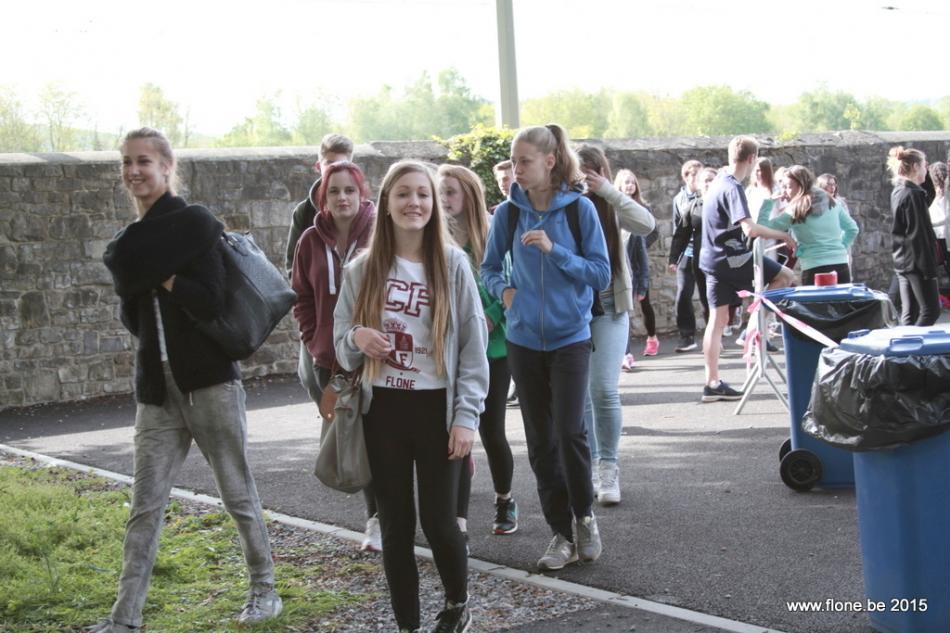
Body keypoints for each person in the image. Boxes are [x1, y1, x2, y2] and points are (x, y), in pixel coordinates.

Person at [96, 128, 280, 632]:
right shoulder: (126, 246)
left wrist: (162, 275)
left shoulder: (196, 225)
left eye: (144, 161)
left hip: (210, 383)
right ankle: (124, 618)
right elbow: (133, 319)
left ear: (166, 166)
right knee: (144, 506)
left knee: (237, 493)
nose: (134, 170)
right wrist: (157, 276)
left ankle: (265, 592)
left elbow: (210, 299)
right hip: (156, 392)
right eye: (127, 162)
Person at [333, 160, 489, 633]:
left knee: (440, 522)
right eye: (403, 194)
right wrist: (358, 337)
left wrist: (466, 417)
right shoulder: (362, 269)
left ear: (434, 204)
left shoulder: (453, 264)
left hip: (436, 408)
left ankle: (457, 604)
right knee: (395, 526)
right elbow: (339, 341)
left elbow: (473, 347)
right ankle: (408, 625)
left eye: (422, 194)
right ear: (385, 204)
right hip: (382, 409)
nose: (414, 203)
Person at [482, 124, 610, 571]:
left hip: (570, 336)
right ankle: (560, 533)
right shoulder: (507, 214)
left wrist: (555, 250)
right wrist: (504, 293)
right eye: (514, 161)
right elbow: (488, 268)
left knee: (569, 432)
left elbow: (601, 274)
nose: (516, 170)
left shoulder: (579, 210)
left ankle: (584, 517)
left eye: (525, 161)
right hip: (522, 341)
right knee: (539, 441)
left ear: (550, 161)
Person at [290, 160, 382, 552]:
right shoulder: (310, 240)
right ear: (322, 198)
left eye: (349, 190)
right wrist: (314, 341)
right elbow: (301, 296)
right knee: (353, 439)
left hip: (375, 358)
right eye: (334, 191)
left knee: (379, 439)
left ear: (362, 193)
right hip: (329, 361)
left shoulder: (380, 232)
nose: (342, 197)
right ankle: (375, 517)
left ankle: (383, 517)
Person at [437, 163, 519, 537]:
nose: (443, 199)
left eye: (450, 192)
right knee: (457, 433)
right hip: (450, 353)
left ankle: (505, 499)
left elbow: (510, 287)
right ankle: (459, 521)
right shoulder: (435, 242)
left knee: (491, 431)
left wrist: (489, 317)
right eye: (440, 192)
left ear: (468, 196)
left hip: (494, 350)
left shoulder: (491, 236)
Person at [576, 146, 655, 506]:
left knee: (603, 389)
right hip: (574, 310)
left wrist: (608, 190)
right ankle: (594, 463)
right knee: (582, 395)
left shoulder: (611, 204)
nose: (584, 180)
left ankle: (608, 465)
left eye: (591, 173)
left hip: (609, 306)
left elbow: (646, 225)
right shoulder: (564, 203)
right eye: (578, 173)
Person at [698, 136, 795, 402]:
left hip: (711, 259)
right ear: (752, 159)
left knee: (717, 320)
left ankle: (711, 382)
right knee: (785, 276)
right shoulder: (732, 187)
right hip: (732, 258)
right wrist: (783, 235)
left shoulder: (717, 181)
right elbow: (749, 229)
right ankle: (754, 328)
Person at [286, 134, 355, 405]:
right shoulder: (304, 213)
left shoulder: (366, 215)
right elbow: (293, 267)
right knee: (312, 378)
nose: (335, 170)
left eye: (342, 164)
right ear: (319, 166)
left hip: (353, 321)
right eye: (330, 164)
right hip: (318, 313)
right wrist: (312, 332)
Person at [758, 165, 859, 285]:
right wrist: (840, 247)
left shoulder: (794, 211)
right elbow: (852, 229)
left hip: (813, 268)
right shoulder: (833, 202)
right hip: (840, 266)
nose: (784, 192)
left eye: (788, 187)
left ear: (801, 187)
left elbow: (761, 228)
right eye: (783, 187)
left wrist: (769, 202)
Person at [888, 146, 941, 326]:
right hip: (917, 262)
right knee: (931, 311)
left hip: (904, 260)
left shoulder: (900, 190)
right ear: (915, 167)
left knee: (910, 313)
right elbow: (918, 234)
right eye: (924, 166)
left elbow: (928, 193)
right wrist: (928, 269)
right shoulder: (912, 194)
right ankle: (913, 343)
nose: (927, 169)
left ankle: (906, 342)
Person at [615, 168, 660, 364]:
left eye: (632, 182)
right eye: (626, 182)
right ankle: (625, 353)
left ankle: (652, 337)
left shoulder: (642, 208)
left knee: (644, 302)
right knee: (623, 312)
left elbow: (653, 232)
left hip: (636, 265)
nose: (630, 186)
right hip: (620, 267)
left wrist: (640, 244)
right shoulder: (613, 209)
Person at [669, 160, 705, 352]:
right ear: (686, 176)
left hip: (704, 251)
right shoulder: (679, 199)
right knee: (683, 294)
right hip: (687, 252)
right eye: (693, 174)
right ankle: (687, 336)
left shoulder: (707, 195)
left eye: (700, 174)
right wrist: (674, 258)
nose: (697, 178)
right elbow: (678, 229)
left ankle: (714, 334)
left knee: (708, 294)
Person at [928, 161, 950, 280]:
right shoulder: (939, 194)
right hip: (943, 240)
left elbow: (947, 218)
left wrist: (930, 224)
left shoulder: (945, 194)